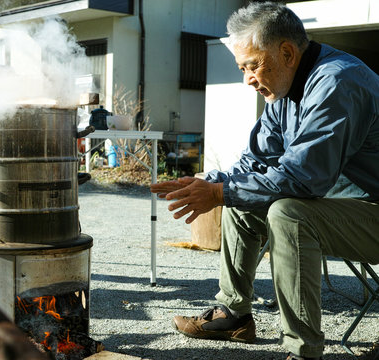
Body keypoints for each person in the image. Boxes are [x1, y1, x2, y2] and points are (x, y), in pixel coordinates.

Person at [151, 2, 379, 360]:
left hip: (372, 211)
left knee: (288, 212)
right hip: (339, 205)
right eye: (242, 68)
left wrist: (219, 192)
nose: (247, 79)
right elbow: (254, 165)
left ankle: (302, 351)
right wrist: (210, 183)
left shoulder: (336, 82)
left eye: (252, 65)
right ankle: (234, 314)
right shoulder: (285, 93)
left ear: (287, 52)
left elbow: (303, 178)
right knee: (240, 199)